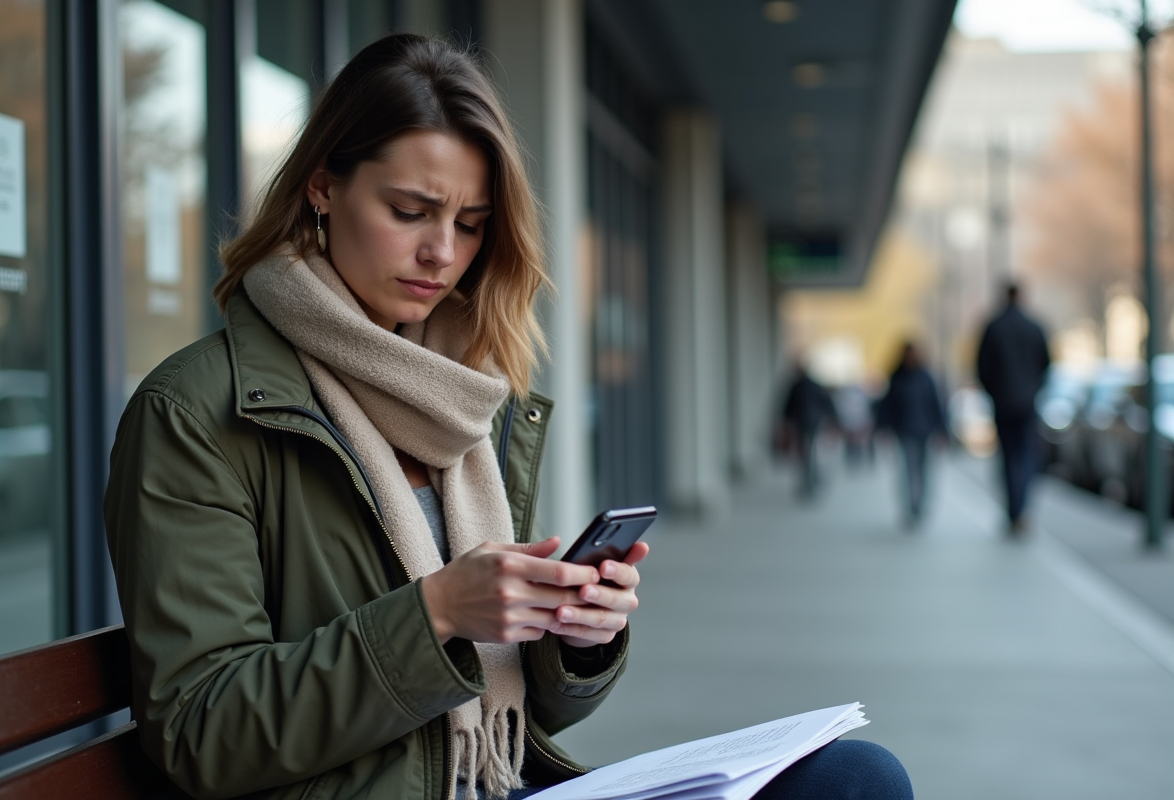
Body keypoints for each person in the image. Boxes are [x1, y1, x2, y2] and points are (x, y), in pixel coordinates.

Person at [104, 34, 911, 800]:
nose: (442, 255)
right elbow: (201, 730)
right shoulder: (198, 411)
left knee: (854, 777)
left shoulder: (454, 394)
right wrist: (437, 613)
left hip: (502, 781)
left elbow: (521, 713)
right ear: (323, 184)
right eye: (411, 211)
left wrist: (573, 638)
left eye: (470, 224)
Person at [976, 283, 1051, 534]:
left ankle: (1014, 511)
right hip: (1027, 403)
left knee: (1009, 459)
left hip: (1004, 403)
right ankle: (1022, 510)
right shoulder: (1034, 327)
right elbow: (1046, 364)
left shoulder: (994, 327)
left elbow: (982, 367)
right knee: (1027, 457)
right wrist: (1033, 389)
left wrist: (994, 393)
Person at [876, 343, 948, 527]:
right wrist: (882, 428)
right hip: (904, 431)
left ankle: (920, 506)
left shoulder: (926, 378)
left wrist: (942, 430)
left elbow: (936, 405)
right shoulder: (897, 378)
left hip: (925, 431)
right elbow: (887, 406)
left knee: (923, 471)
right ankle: (910, 506)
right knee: (908, 470)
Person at [779, 361, 837, 499]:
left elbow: (787, 407)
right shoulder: (814, 386)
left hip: (801, 424)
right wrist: (833, 419)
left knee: (805, 454)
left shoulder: (796, 386)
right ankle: (811, 480)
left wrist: (785, 421)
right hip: (813, 423)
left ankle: (809, 481)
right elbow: (827, 403)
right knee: (810, 453)